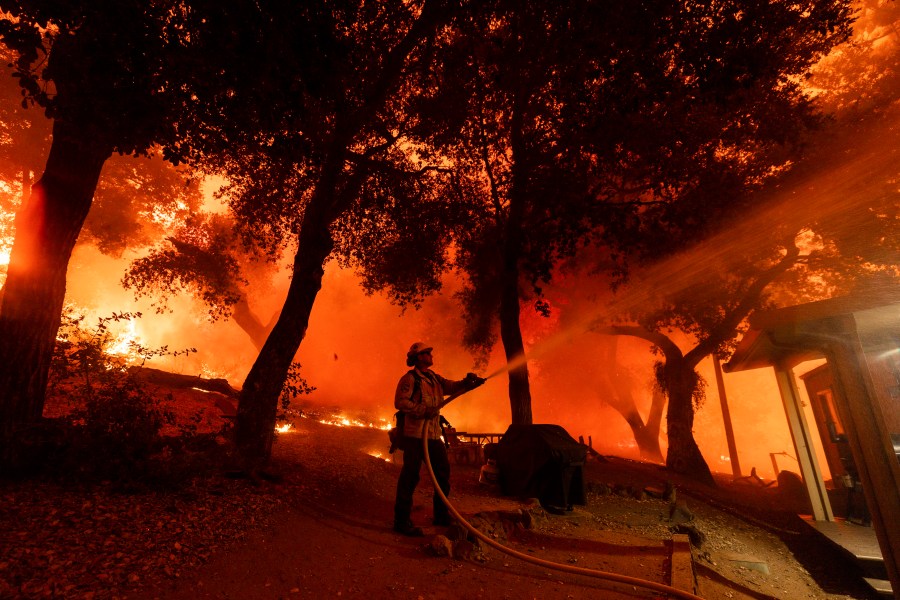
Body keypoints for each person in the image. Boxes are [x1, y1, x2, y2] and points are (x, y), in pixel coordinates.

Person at [392, 342, 485, 536]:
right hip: (415, 436)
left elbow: (451, 387)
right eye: (427, 353)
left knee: (442, 473)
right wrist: (422, 410)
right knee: (410, 476)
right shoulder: (410, 379)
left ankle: (441, 516)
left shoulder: (434, 378)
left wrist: (468, 382)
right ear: (418, 357)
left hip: (433, 435)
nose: (431, 355)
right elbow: (400, 402)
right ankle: (401, 521)